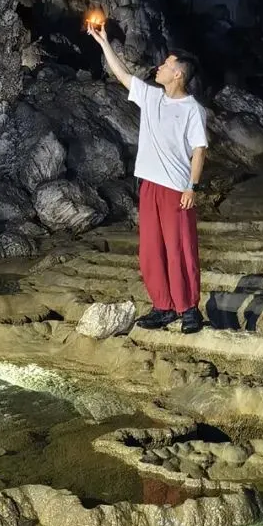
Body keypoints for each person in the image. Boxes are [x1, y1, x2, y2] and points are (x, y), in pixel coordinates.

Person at [89, 19, 208, 333]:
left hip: (176, 189)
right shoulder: (152, 97)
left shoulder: (192, 110)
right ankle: (163, 306)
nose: (160, 67)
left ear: (178, 73)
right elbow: (122, 75)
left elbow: (199, 150)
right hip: (149, 186)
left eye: (166, 65)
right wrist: (104, 43)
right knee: (151, 249)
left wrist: (193, 187)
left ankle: (189, 309)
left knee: (180, 248)